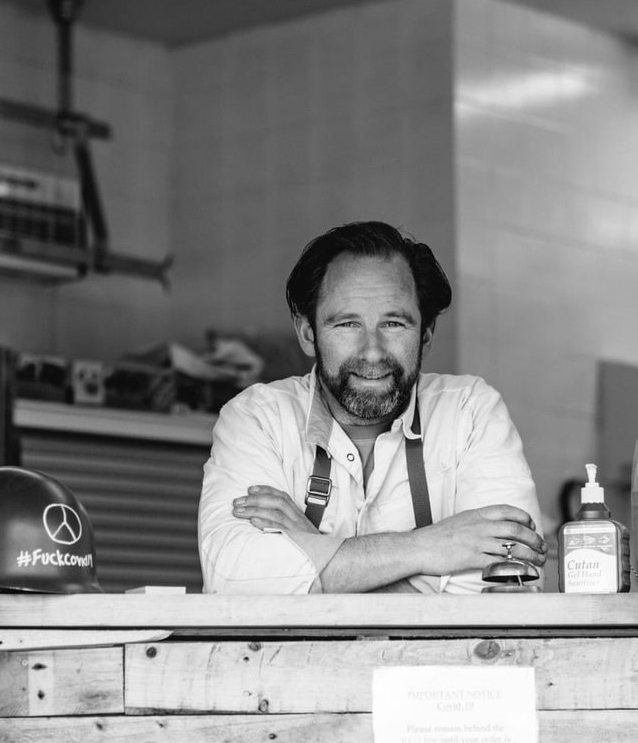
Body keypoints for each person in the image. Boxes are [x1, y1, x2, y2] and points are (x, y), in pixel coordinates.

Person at [198, 221, 545, 593]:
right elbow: (236, 580)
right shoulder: (258, 418)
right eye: (347, 324)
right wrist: (429, 546)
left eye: (393, 323)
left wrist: (311, 550)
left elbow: (510, 587)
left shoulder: (470, 412)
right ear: (307, 333)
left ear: (425, 335)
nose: (373, 351)